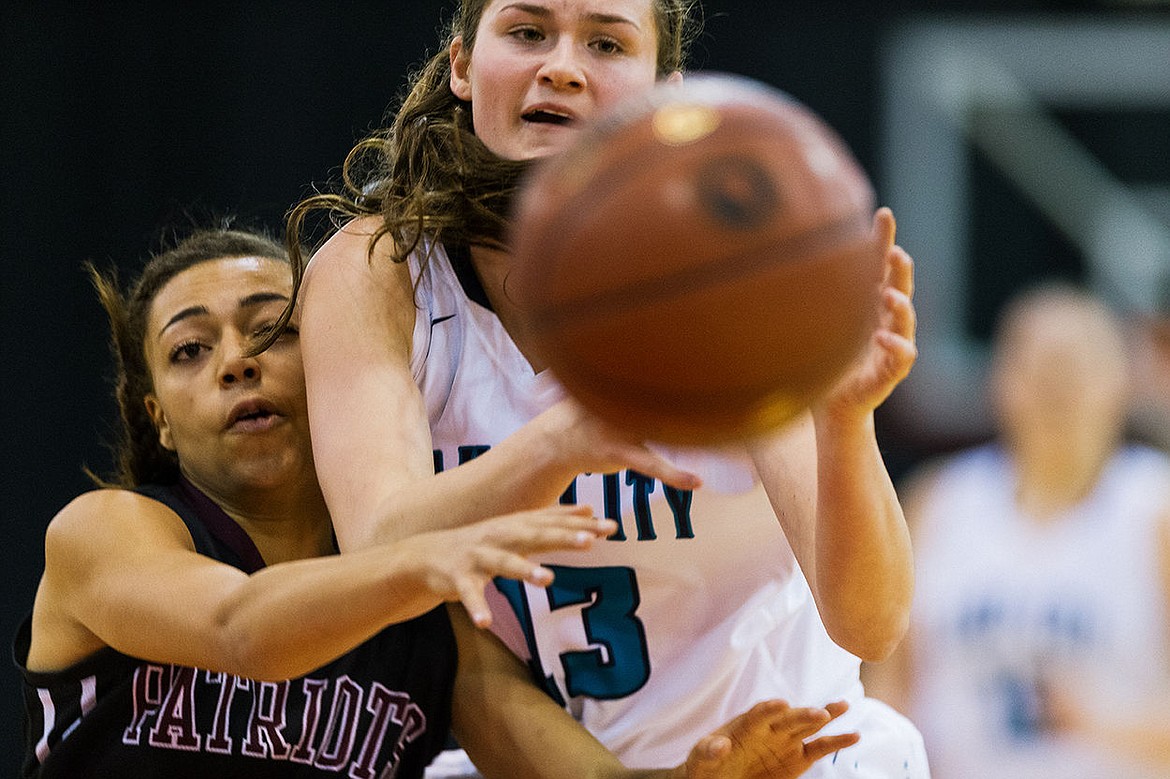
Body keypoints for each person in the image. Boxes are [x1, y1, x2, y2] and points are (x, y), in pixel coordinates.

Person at [276, 1, 929, 776]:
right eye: (526, 32)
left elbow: (872, 623)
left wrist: (847, 419)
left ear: (667, 98)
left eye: (606, 42)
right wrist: (567, 439)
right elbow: (381, 553)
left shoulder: (733, 271)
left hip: (783, 758)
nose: (560, 64)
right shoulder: (375, 269)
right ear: (461, 65)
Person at [15, 227, 862, 778]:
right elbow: (242, 627)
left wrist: (697, 776)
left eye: (272, 329)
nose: (236, 362)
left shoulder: (427, 615)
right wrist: (419, 553)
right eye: (190, 349)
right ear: (155, 416)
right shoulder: (108, 532)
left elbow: (549, 764)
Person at [865, 283, 1170, 778]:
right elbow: (889, 690)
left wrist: (1103, 724)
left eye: (1075, 369)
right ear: (1000, 381)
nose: (1057, 388)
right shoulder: (937, 503)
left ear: (1123, 382)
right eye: (1039, 368)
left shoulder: (1156, 510)